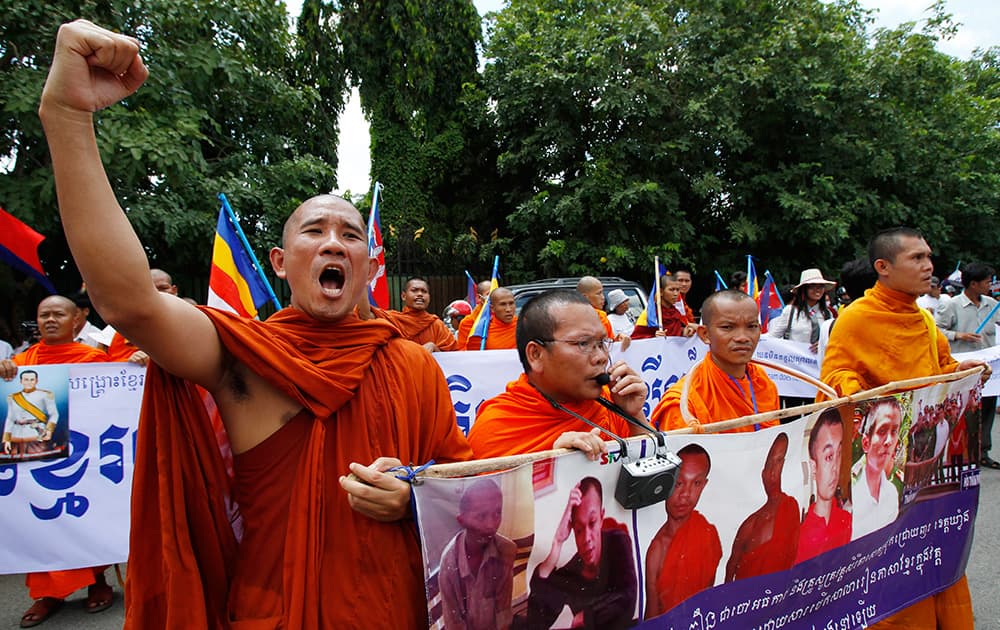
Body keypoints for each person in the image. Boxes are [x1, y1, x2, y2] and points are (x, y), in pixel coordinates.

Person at [34, 20, 472, 629]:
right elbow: (129, 303)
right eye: (314, 232)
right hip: (269, 610)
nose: (334, 244)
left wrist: (417, 497)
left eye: (350, 235)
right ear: (280, 261)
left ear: (370, 264)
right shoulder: (246, 356)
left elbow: (461, 482)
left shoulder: (412, 363)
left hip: (390, 609)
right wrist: (66, 116)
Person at [820, 227, 983, 630]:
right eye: (917, 258)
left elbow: (939, 370)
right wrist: (867, 394)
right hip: (885, 467)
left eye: (929, 257)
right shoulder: (857, 318)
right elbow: (833, 380)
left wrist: (961, 373)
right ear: (883, 267)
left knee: (935, 557)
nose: (929, 267)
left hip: (930, 464)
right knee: (891, 570)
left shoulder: (924, 319)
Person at [0, 295, 112, 627]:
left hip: (82, 452)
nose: (50, 320)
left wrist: (134, 364)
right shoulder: (21, 363)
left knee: (86, 517)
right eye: (43, 315)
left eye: (58, 314)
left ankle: (97, 583)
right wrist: (5, 373)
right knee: (42, 524)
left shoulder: (95, 360)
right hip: (36, 457)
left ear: (77, 319)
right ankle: (48, 595)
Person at [467, 290, 647, 460]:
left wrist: (634, 416)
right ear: (536, 355)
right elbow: (485, 491)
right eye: (583, 343)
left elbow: (654, 481)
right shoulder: (497, 428)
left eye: (601, 343)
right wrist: (552, 462)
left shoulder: (609, 404)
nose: (601, 357)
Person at [650, 290, 779, 433]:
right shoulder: (685, 403)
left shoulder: (762, 382)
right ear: (705, 334)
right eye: (728, 327)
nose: (743, 337)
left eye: (751, 327)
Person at [526, 477, 637, 629]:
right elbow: (536, 623)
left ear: (601, 517)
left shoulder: (617, 542)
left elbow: (628, 598)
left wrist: (586, 617)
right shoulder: (572, 568)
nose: (586, 539)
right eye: (578, 530)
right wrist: (557, 543)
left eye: (592, 523)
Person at [934, 262, 1000, 469]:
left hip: (987, 367)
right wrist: (958, 335)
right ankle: (957, 452)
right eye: (987, 281)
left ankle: (983, 451)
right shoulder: (951, 305)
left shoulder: (991, 304)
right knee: (961, 409)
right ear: (973, 283)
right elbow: (936, 331)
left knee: (987, 408)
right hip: (961, 367)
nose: (991, 284)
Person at [644, 444, 721, 618]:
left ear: (704, 485)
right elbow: (652, 617)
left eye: (696, 483)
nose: (685, 494)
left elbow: (708, 598)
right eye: (678, 483)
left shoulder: (708, 534)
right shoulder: (657, 550)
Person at [438, 479, 516, 630]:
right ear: (462, 521)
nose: (491, 525)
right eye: (481, 516)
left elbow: (503, 611)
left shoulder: (507, 550)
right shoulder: (449, 564)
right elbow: (453, 622)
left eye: (497, 513)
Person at [725, 433, 799, 581]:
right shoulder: (750, 524)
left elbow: (794, 552)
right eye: (768, 466)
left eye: (778, 462)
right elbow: (731, 566)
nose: (772, 472)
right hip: (749, 598)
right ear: (762, 475)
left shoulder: (790, 507)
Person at [795, 409, 852, 562]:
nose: (835, 467)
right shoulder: (799, 535)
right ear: (813, 467)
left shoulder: (847, 521)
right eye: (828, 457)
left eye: (839, 454)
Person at [105, 268, 181, 364]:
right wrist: (130, 363)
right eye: (150, 290)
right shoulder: (125, 330)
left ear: (174, 290)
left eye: (163, 288)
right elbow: (113, 368)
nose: (157, 294)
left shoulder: (190, 324)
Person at [851, 399, 902, 540]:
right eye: (882, 431)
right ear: (866, 443)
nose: (889, 441)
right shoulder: (851, 495)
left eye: (894, 431)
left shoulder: (891, 493)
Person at [765, 269, 836, 353]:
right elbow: (773, 336)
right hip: (794, 361)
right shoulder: (790, 311)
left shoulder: (827, 314)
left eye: (820, 286)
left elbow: (833, 340)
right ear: (804, 289)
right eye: (812, 286)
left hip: (819, 362)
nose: (817, 290)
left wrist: (823, 344)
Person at [383, 276, 459, 352]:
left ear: (429, 297)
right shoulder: (392, 321)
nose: (420, 294)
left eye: (424, 291)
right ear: (403, 296)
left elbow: (451, 358)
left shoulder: (437, 325)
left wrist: (434, 347)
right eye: (414, 290)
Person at [3, 370, 59, 458]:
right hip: (16, 435)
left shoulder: (45, 395)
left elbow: (54, 414)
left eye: (32, 379)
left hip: (36, 433)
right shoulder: (13, 397)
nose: (29, 382)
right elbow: (10, 418)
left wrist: (49, 431)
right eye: (26, 379)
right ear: (21, 381)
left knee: (38, 460)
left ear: (36, 381)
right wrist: (7, 439)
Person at [631, 275, 697, 339]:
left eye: (677, 290)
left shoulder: (675, 312)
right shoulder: (650, 314)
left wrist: (684, 332)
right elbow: (635, 339)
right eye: (671, 290)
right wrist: (654, 337)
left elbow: (677, 332)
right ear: (661, 292)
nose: (676, 294)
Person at [458, 280, 494, 348]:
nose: (493, 297)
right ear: (479, 298)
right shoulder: (467, 323)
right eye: (488, 294)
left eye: (495, 293)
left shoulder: (503, 319)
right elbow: (462, 350)